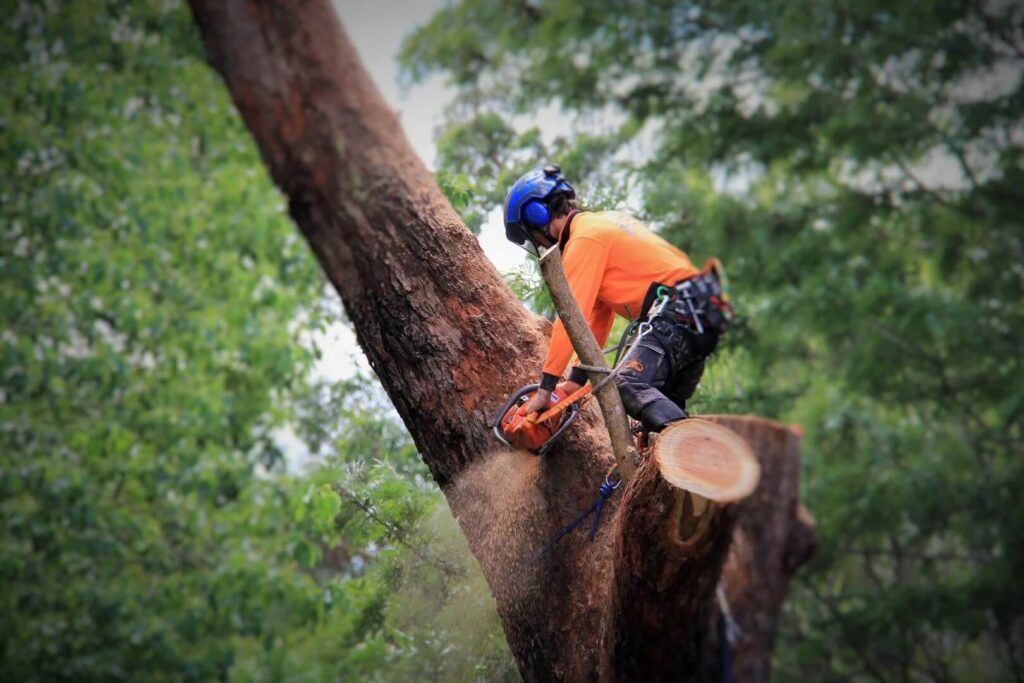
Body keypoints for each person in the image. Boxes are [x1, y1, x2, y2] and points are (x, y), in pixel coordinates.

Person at [503, 164, 732, 434]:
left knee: (627, 384)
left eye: (530, 232)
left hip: (681, 308)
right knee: (656, 423)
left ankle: (695, 447)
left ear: (536, 214)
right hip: (704, 309)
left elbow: (569, 318)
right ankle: (699, 462)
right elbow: (595, 318)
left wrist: (546, 388)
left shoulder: (584, 240)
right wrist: (574, 381)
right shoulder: (602, 222)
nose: (538, 242)